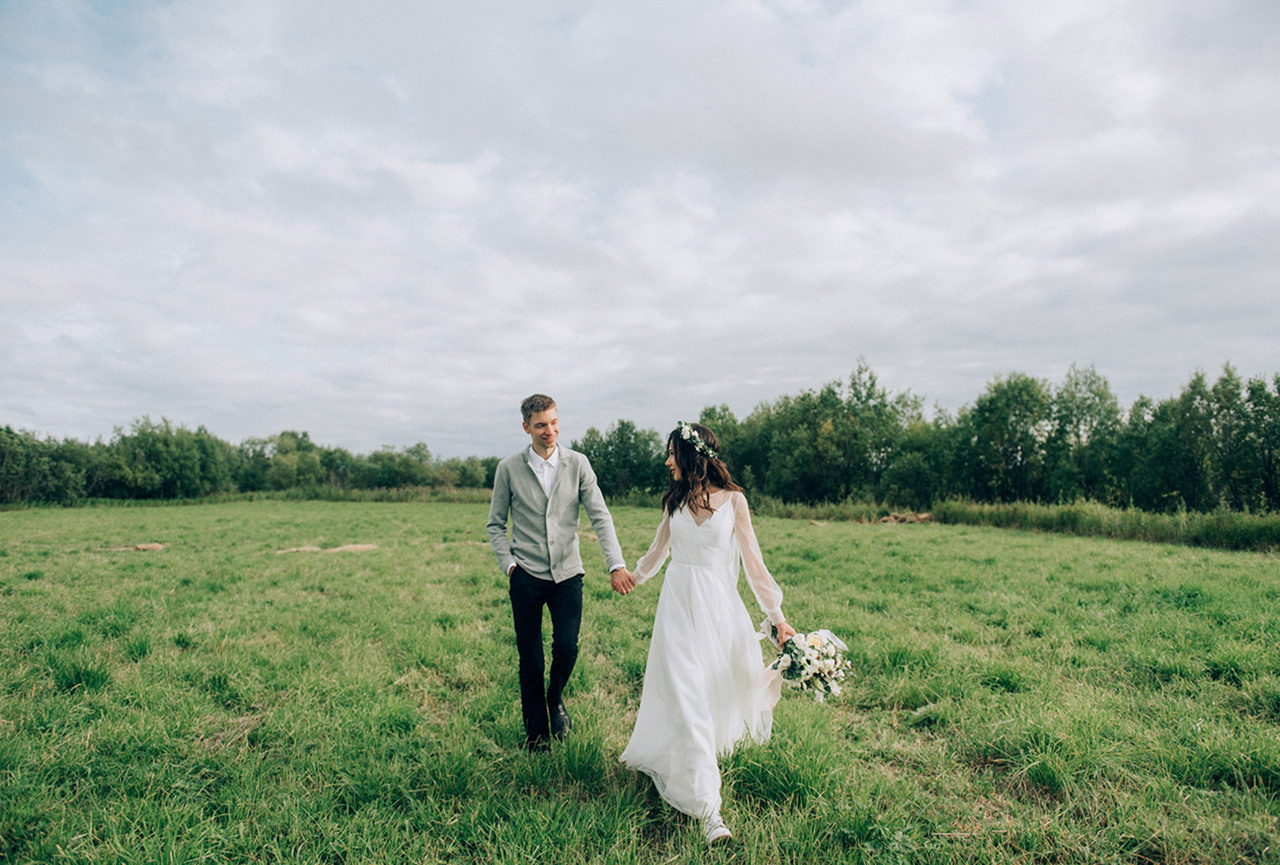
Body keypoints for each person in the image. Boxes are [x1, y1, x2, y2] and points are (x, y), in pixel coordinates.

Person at [615, 421, 797, 845]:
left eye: (672, 454)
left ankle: (694, 775)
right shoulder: (674, 502)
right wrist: (632, 578)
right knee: (689, 699)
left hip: (718, 613)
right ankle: (710, 814)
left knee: (710, 700)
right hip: (677, 610)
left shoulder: (735, 502)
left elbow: (754, 563)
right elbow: (658, 550)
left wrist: (777, 615)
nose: (667, 462)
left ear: (692, 455)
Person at [487, 394, 635, 752]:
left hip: (568, 573)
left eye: (554, 423)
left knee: (567, 648)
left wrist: (615, 563)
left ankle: (555, 699)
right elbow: (495, 525)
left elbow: (600, 515)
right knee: (531, 658)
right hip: (526, 575)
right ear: (526, 428)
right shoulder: (508, 469)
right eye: (540, 425)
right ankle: (536, 737)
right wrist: (509, 565)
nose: (549, 431)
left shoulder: (578, 464)